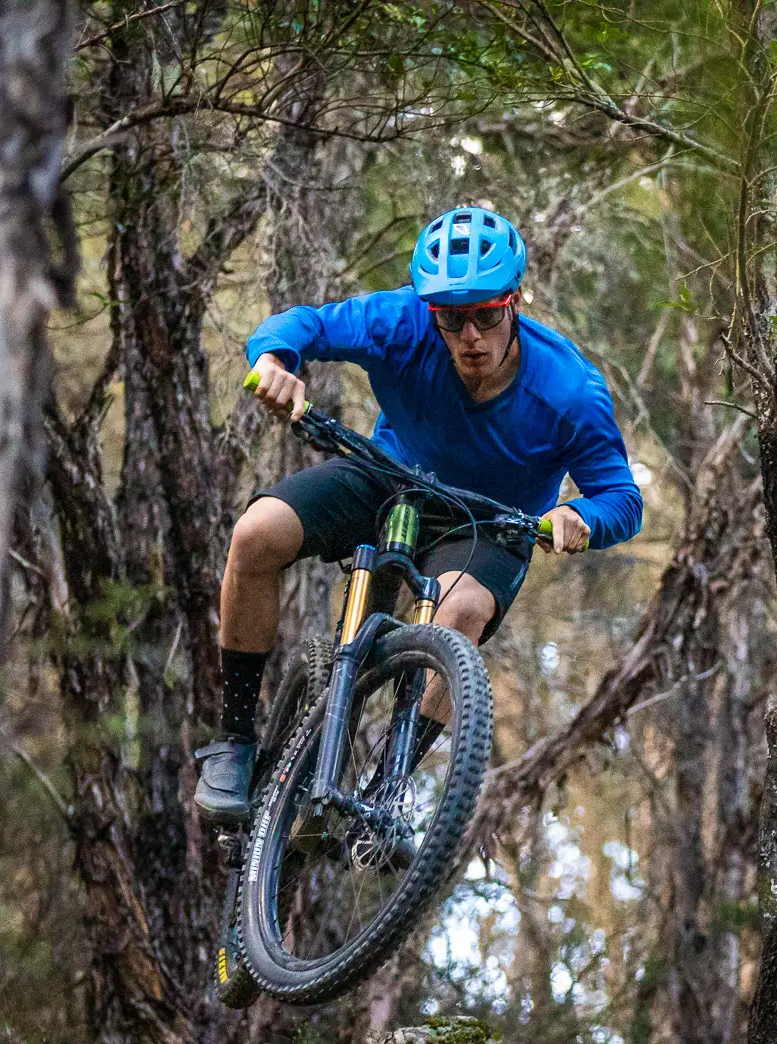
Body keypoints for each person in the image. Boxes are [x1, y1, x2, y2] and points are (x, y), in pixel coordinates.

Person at [193, 206, 644, 820]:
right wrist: (275, 359)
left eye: (487, 315)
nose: (470, 337)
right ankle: (235, 740)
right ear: (428, 309)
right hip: (389, 478)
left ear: (515, 302)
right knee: (255, 533)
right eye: (451, 318)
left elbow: (623, 498)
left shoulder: (569, 389)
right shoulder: (401, 321)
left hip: (490, 524)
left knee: (458, 612)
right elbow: (305, 324)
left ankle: (384, 789)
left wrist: (581, 518)